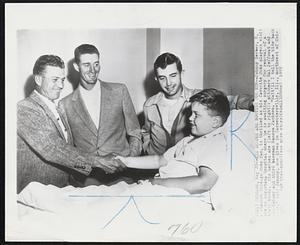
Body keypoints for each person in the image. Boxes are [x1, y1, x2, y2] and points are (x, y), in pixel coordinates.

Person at [17, 55, 125, 193]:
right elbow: (53, 148)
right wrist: (98, 162)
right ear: (38, 79)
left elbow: (68, 150)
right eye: (55, 80)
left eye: (62, 80)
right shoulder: (24, 108)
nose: (61, 85)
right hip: (37, 192)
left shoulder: (58, 107)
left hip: (62, 189)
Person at [116, 88, 231, 194]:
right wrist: (126, 161)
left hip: (172, 194)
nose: (190, 118)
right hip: (157, 187)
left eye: (196, 115)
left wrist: (158, 183)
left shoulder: (215, 142)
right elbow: (159, 160)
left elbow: (204, 182)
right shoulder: (188, 140)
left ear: (215, 122)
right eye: (191, 113)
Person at [59, 44, 142, 186]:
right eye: (86, 65)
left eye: (96, 64)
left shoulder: (119, 91)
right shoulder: (65, 104)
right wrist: (85, 171)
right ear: (76, 66)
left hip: (123, 177)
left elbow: (135, 133)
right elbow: (69, 151)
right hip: (86, 181)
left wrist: (129, 161)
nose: (93, 70)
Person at [142, 52, 254, 155]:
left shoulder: (197, 98)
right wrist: (147, 148)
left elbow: (230, 101)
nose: (168, 83)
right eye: (162, 78)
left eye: (173, 75)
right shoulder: (149, 104)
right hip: (152, 166)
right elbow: (146, 131)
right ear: (156, 79)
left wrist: (252, 103)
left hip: (183, 164)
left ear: (182, 74)